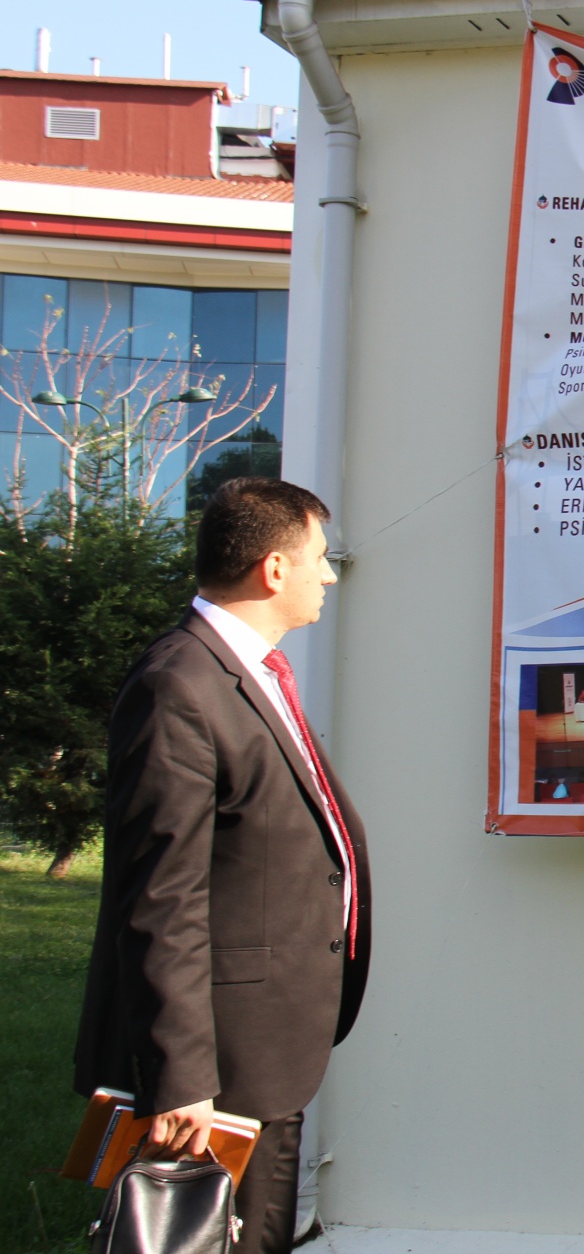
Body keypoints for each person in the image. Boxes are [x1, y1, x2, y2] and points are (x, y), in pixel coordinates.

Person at [74, 477, 369, 1254]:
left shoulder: (248, 674)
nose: (328, 574)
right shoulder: (179, 683)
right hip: (214, 1066)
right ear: (274, 568)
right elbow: (159, 896)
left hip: (264, 1048)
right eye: (318, 557)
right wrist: (181, 1077)